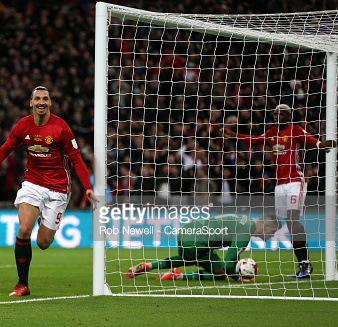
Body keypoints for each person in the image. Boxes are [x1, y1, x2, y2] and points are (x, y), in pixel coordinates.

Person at [0, 86, 99, 296]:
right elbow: (4, 150)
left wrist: (88, 188)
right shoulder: (23, 126)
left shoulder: (61, 128)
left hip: (58, 188)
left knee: (43, 242)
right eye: (37, 99)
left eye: (45, 99)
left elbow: (76, 159)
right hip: (33, 183)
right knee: (24, 229)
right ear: (31, 103)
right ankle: (22, 284)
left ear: (50, 103)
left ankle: (46, 217)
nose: (41, 102)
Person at [222, 104, 337, 278]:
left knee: (293, 218)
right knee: (290, 224)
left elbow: (310, 139)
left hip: (295, 181)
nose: (277, 115)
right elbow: (254, 139)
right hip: (279, 185)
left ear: (289, 116)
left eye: (281, 113)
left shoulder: (295, 130)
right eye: (275, 113)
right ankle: (303, 265)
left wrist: (321, 144)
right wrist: (234, 136)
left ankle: (306, 264)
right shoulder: (272, 132)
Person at [126, 213, 282, 282]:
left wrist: (237, 268)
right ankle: (177, 276)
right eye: (273, 231)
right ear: (266, 225)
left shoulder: (245, 221)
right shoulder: (245, 233)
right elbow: (228, 263)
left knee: (186, 258)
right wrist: (238, 276)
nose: (272, 235)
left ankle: (149, 265)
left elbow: (234, 255)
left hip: (187, 230)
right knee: (221, 273)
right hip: (198, 241)